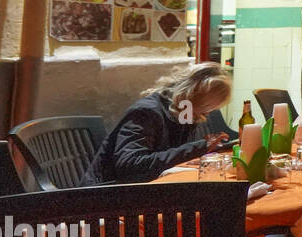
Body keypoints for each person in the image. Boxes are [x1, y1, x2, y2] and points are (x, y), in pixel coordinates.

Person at [82, 63, 233, 184]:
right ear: (190, 94)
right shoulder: (147, 112)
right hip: (105, 196)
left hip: (147, 187)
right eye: (205, 108)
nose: (205, 114)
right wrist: (197, 148)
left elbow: (172, 154)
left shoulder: (183, 112)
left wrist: (194, 154)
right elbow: (131, 166)